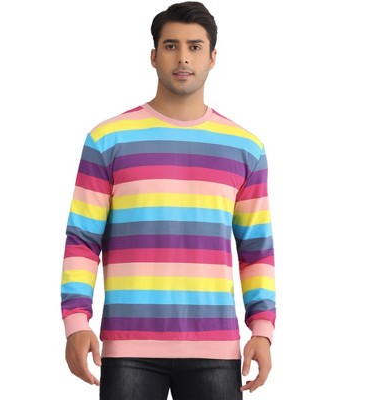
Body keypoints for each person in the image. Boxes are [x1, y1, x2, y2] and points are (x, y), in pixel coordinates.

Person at [60, 2, 276, 399]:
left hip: (216, 348)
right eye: (171, 45)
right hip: (128, 347)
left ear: (212, 58)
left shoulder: (246, 148)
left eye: (195, 47)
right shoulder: (107, 140)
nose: (183, 58)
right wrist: (76, 322)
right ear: (153, 55)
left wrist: (262, 330)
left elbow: (256, 249)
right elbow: (82, 241)